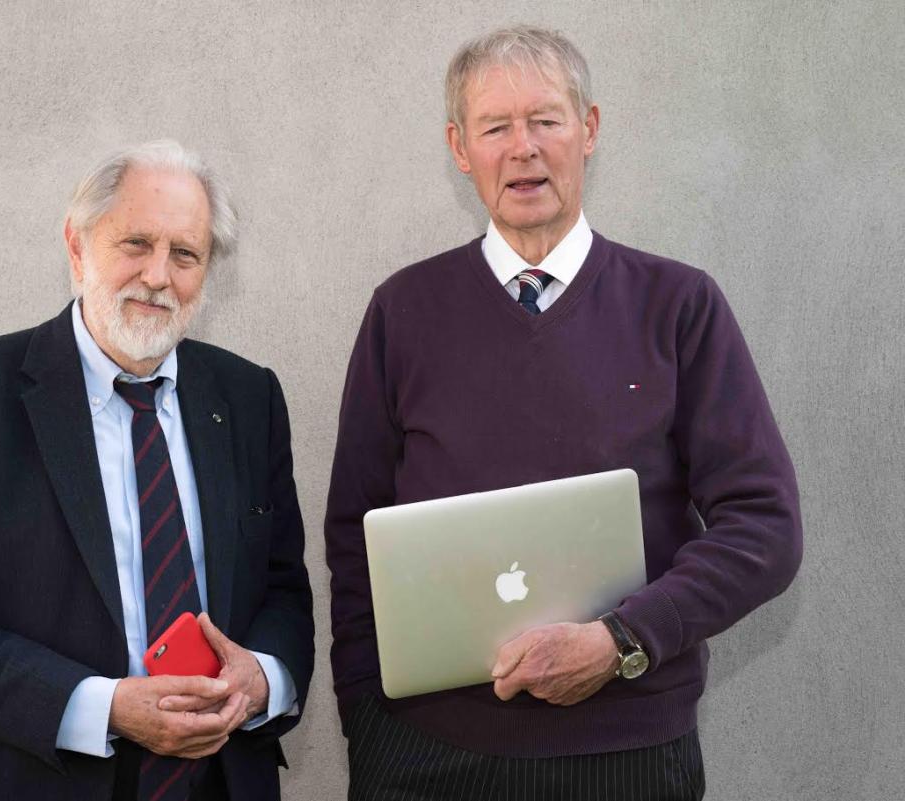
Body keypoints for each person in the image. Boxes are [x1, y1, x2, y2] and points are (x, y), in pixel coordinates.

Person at [325, 25, 801, 800]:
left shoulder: (679, 307)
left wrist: (623, 641)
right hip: (424, 756)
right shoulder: (401, 312)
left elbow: (767, 528)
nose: (524, 148)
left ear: (589, 130)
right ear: (459, 147)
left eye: (546, 119)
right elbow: (355, 534)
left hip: (628, 752)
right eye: (495, 126)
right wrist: (365, 720)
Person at [0, 139, 313, 801]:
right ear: (77, 246)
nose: (159, 275)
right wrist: (103, 706)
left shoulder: (249, 399)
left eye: (185, 254)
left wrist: (263, 678)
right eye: (136, 243)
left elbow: (283, 589)